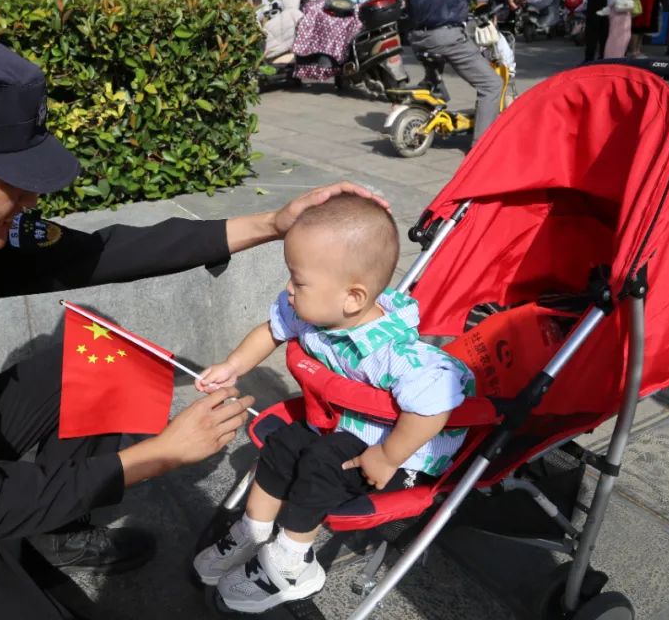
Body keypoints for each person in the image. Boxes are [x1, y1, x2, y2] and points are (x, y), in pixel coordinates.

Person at [0, 25, 386, 619]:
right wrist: (159, 456)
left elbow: (98, 253)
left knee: (101, 360)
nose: (31, 200)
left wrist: (269, 224)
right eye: (15, 182)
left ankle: (55, 529)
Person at [190, 196, 474, 613]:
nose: (288, 288)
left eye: (298, 281)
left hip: (395, 447)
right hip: (337, 421)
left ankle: (292, 562)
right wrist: (233, 366)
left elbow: (434, 406)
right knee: (283, 444)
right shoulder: (317, 312)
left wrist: (387, 454)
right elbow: (270, 331)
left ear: (353, 298)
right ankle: (254, 528)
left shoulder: (396, 354)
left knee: (322, 462)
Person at [406, 0, 516, 144]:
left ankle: (434, 102)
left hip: (416, 37)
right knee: (491, 84)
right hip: (445, 37)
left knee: (435, 76)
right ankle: (481, 146)